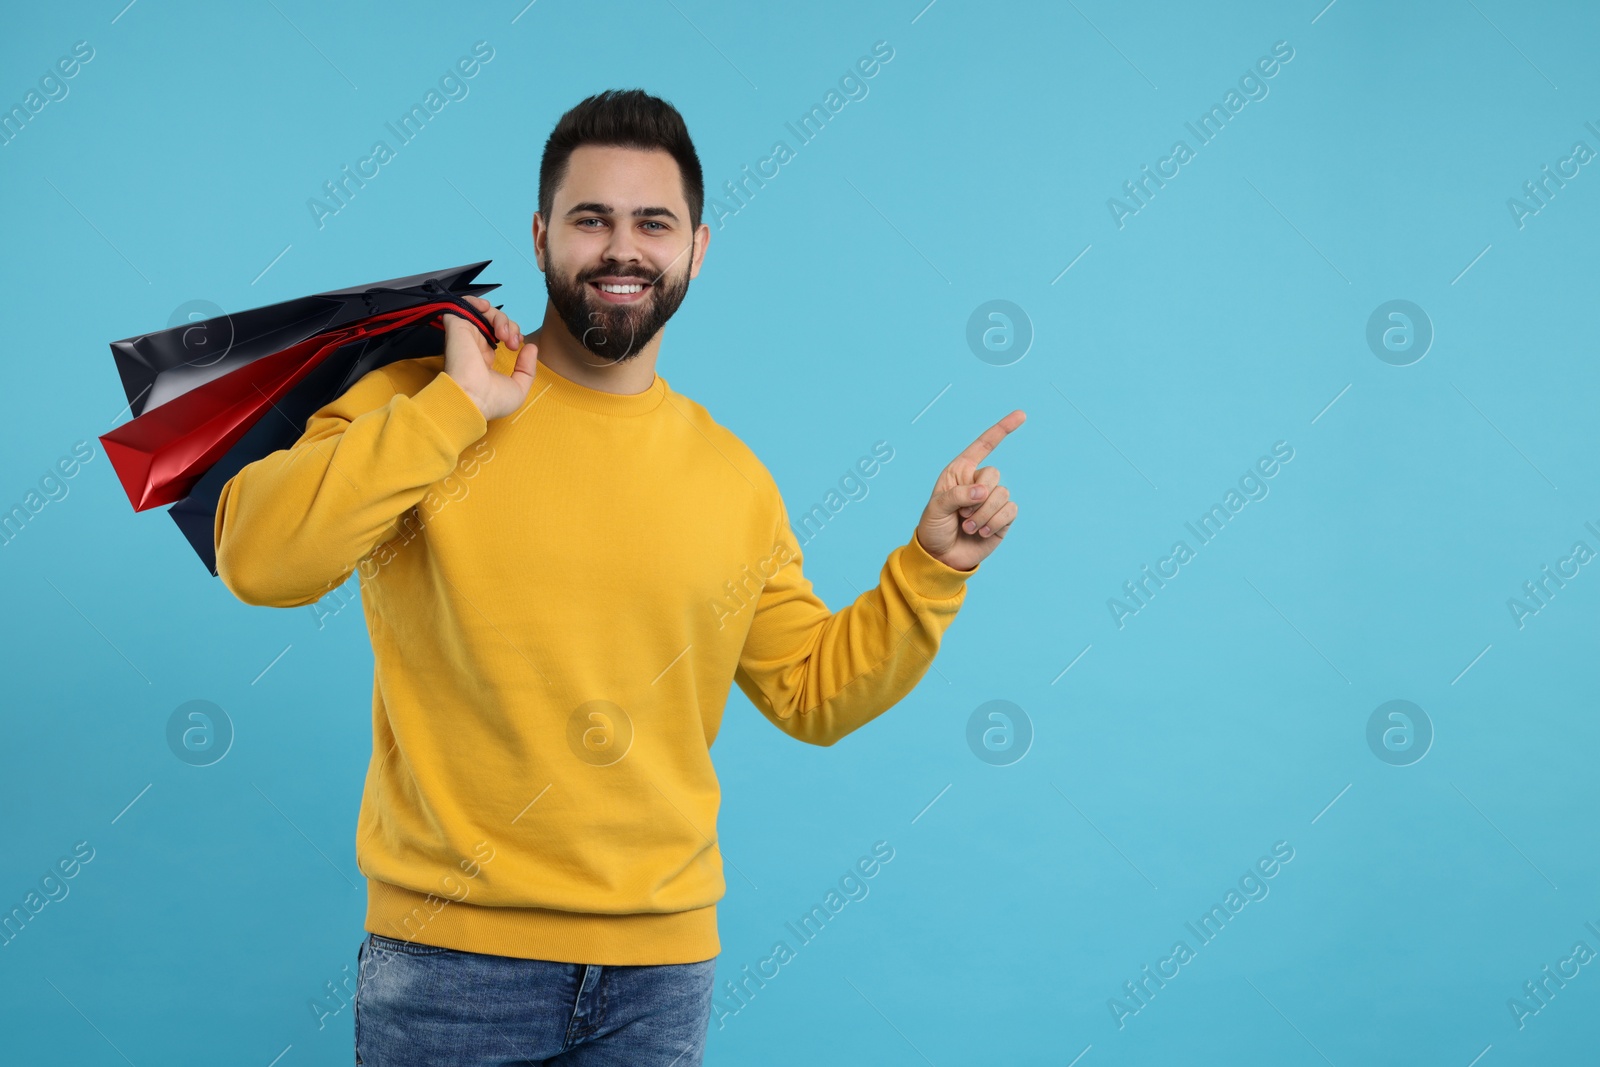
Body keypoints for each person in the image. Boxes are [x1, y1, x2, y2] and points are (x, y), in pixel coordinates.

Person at [214, 88, 1024, 1067]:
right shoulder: (423, 403)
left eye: (653, 222)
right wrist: (456, 408)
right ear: (541, 233)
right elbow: (260, 561)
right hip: (450, 961)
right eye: (591, 218)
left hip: (659, 974)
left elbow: (812, 691)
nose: (621, 248)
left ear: (697, 248)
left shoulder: (731, 477)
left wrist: (931, 567)